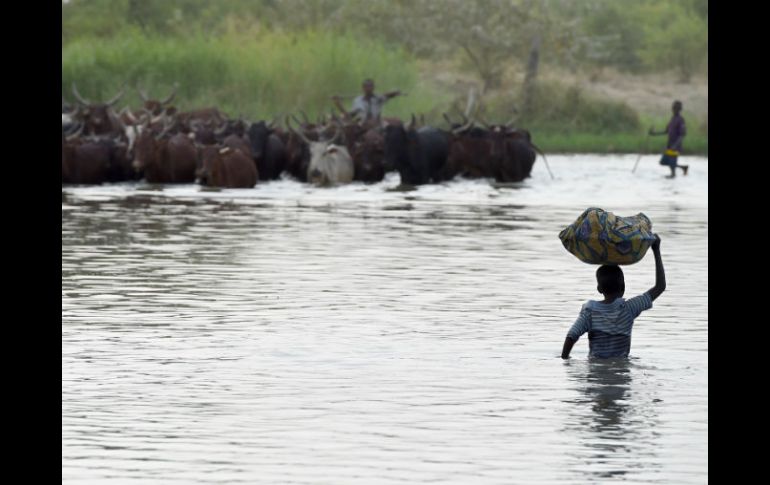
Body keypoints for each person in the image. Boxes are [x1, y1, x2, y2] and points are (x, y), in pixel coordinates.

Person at [561, 235, 666, 359]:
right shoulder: (629, 308)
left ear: (599, 289)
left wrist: (565, 358)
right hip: (622, 370)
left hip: (596, 371)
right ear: (623, 287)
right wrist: (656, 250)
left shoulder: (590, 311)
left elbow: (571, 336)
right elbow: (660, 287)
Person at [331, 79, 401, 123]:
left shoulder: (378, 98)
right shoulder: (357, 100)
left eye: (370, 86)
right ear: (363, 88)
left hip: (376, 124)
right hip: (363, 125)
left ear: (373, 88)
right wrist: (339, 104)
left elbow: (389, 95)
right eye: (366, 87)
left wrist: (395, 92)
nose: (368, 88)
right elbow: (350, 115)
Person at [649, 100, 689, 178]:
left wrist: (675, 146)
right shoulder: (672, 119)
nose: (674, 109)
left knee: (672, 172)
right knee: (663, 162)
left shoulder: (681, 120)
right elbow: (666, 131)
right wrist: (654, 133)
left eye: (676, 108)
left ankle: (672, 177)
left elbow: (682, 135)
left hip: (675, 147)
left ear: (679, 109)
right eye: (673, 108)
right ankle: (683, 168)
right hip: (669, 145)